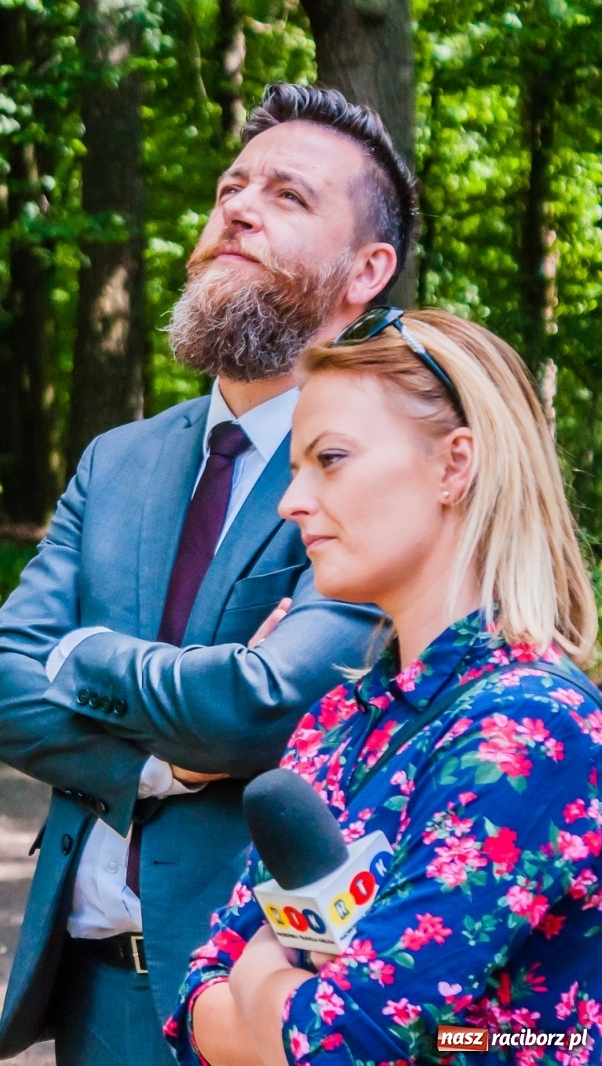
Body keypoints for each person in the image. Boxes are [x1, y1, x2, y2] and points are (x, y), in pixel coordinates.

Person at [0, 83, 410, 1065]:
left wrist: (79, 655)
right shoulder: (116, 460)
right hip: (86, 989)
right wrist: (158, 764)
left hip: (263, 988)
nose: (237, 208)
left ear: (365, 269)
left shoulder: (383, 465)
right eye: (229, 189)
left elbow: (254, 709)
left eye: (287, 197)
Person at [168, 309, 602, 1065]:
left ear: (454, 464)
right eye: (294, 468)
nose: (290, 501)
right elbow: (192, 1007)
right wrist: (282, 1012)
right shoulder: (340, 718)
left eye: (328, 459)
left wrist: (261, 982)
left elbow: (344, 1042)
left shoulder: (531, 728)